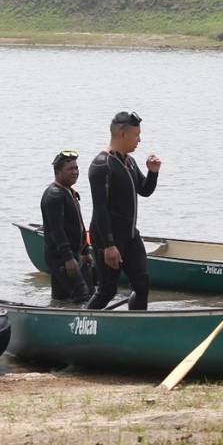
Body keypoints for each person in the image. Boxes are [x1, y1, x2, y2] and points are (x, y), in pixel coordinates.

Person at [85, 112, 161, 311]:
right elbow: (100, 208)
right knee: (107, 290)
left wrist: (153, 172)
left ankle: (136, 326)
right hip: (107, 238)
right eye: (136, 135)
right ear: (121, 134)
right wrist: (109, 245)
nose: (139, 140)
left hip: (130, 236)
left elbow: (144, 190)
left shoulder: (128, 161)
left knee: (142, 284)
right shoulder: (102, 165)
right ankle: (80, 321)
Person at [40, 151, 93, 304]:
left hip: (73, 254)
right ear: (57, 172)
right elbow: (57, 230)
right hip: (60, 257)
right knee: (82, 295)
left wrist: (84, 251)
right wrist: (68, 258)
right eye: (70, 169)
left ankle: (54, 314)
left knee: (61, 297)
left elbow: (78, 225)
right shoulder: (54, 195)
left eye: (76, 168)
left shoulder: (68, 191)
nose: (75, 172)